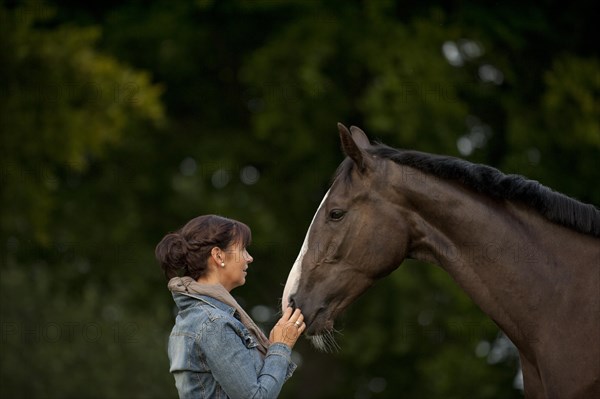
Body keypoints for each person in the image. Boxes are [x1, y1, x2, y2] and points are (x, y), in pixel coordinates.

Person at [155, 214, 305, 399]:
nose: (249, 258)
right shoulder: (214, 324)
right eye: (242, 250)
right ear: (218, 255)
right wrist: (281, 347)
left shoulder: (191, 318)